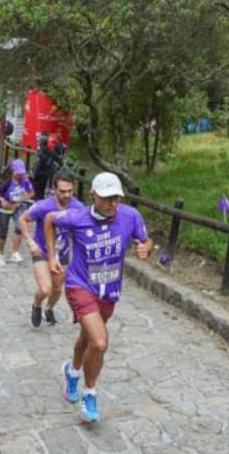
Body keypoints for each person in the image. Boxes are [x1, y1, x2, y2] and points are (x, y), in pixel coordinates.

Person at [45, 172, 153, 423]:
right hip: (80, 286)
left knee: (88, 339)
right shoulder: (76, 217)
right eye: (107, 198)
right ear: (93, 195)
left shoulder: (130, 216)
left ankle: (72, 372)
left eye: (116, 198)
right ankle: (89, 394)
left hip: (109, 292)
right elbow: (49, 220)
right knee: (100, 342)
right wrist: (52, 256)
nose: (113, 204)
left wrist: (145, 247)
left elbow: (146, 239)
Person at [19, 171, 82, 328]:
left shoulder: (78, 207)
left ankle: (49, 308)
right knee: (45, 288)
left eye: (70, 191)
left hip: (63, 253)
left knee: (56, 289)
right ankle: (37, 304)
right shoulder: (44, 206)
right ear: (54, 190)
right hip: (42, 252)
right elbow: (23, 219)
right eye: (62, 191)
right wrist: (30, 242)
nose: (67, 195)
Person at [0, 160, 34, 267]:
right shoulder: (5, 180)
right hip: (4, 209)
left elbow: (32, 193)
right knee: (3, 232)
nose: (20, 175)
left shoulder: (25, 181)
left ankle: (15, 252)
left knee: (20, 227)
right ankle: (0, 253)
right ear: (13, 171)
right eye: (18, 173)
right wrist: (1, 200)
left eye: (22, 173)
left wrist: (20, 201)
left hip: (17, 207)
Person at [32, 136, 62, 200]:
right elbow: (59, 161)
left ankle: (37, 203)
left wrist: (33, 171)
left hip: (38, 174)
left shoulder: (40, 152)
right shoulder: (51, 152)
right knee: (42, 190)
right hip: (46, 174)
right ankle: (40, 202)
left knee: (36, 190)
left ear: (40, 143)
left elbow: (37, 164)